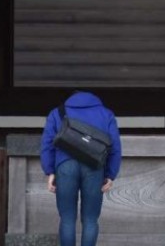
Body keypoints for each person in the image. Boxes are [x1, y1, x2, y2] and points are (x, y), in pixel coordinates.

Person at [40, 91, 122, 246]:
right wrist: (111, 174)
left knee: (67, 219)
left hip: (65, 165)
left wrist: (50, 171)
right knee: (90, 220)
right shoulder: (106, 114)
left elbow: (47, 144)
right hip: (94, 167)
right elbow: (115, 147)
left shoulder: (57, 113)